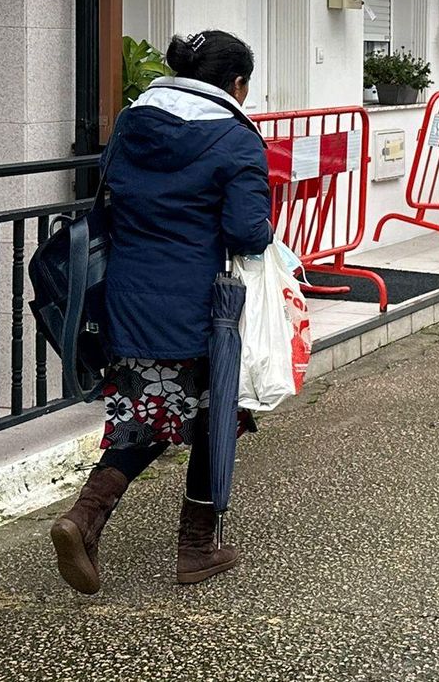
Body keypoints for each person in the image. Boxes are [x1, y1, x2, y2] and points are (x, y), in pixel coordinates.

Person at [50, 30, 272, 595]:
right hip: (200, 310)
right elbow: (247, 232)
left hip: (127, 298)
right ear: (237, 84)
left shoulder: (133, 122)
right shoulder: (236, 137)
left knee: (147, 414)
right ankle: (193, 547)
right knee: (219, 415)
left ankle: (86, 520)